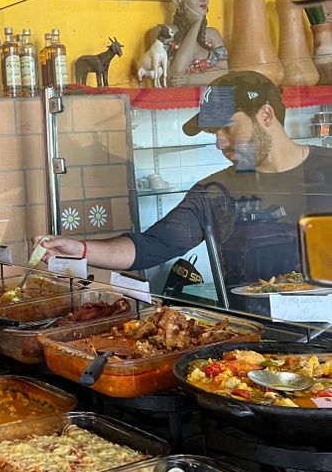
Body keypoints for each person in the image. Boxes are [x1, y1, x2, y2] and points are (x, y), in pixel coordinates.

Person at [39, 71, 332, 308]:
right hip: (252, 346)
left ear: (266, 115)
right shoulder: (216, 190)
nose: (219, 142)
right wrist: (82, 249)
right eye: (213, 133)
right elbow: (153, 246)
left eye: (227, 128)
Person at [165, 0, 228, 87]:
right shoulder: (166, 33)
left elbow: (224, 73)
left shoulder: (212, 35)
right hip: (181, 101)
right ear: (178, 1)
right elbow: (175, 77)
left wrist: (189, 80)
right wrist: (196, 23)